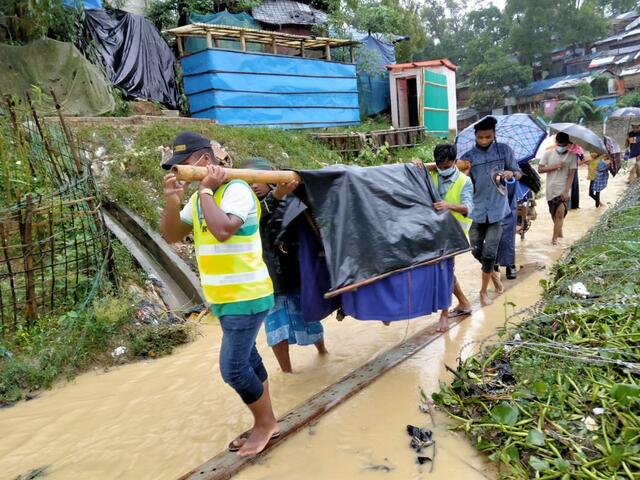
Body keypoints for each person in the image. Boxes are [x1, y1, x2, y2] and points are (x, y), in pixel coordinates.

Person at [160, 132, 278, 457]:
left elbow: (224, 230)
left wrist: (207, 191)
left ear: (205, 162)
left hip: (247, 296)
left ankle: (266, 423)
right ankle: (265, 419)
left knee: (233, 368)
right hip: (224, 299)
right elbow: (171, 234)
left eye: (182, 165)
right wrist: (172, 199)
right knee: (248, 359)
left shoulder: (236, 189)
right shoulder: (201, 198)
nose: (178, 172)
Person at [243, 157, 328, 373]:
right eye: (248, 181)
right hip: (267, 277)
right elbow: (263, 221)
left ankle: (323, 352)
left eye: (257, 179)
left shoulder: (292, 198)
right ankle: (287, 372)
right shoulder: (245, 209)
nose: (253, 185)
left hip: (295, 271)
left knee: (310, 316)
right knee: (275, 328)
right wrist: (276, 196)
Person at [459, 116, 522, 306]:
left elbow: (518, 172)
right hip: (476, 210)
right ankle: (492, 273)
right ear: (475, 137)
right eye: (480, 137)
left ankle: (483, 291)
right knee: (475, 249)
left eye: (488, 136)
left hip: (497, 210)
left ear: (494, 135)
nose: (484, 140)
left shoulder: (504, 151)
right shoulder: (468, 158)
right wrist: (465, 174)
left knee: (489, 253)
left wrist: (511, 174)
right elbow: (461, 182)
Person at [414, 143, 474, 332]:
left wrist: (448, 205)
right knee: (444, 271)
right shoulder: (432, 174)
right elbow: (415, 173)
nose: (443, 170)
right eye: (440, 166)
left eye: (447, 167)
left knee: (445, 271)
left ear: (455, 162)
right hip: (433, 232)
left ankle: (444, 314)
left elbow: (468, 208)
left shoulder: (465, 181)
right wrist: (416, 164)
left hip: (454, 234)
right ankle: (464, 302)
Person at [538, 131, 577, 245]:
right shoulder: (548, 153)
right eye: (559, 145)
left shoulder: (572, 156)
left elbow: (571, 175)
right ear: (556, 142)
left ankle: (554, 240)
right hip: (550, 190)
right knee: (554, 215)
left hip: (563, 190)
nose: (561, 147)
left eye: (564, 145)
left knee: (560, 214)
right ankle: (560, 235)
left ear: (568, 144)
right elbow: (540, 169)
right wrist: (555, 166)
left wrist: (566, 191)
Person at [495, 179, 518, 280]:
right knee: (492, 231)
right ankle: (494, 263)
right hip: (488, 188)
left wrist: (511, 175)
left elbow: (518, 173)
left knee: (508, 232)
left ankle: (510, 264)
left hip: (507, 185)